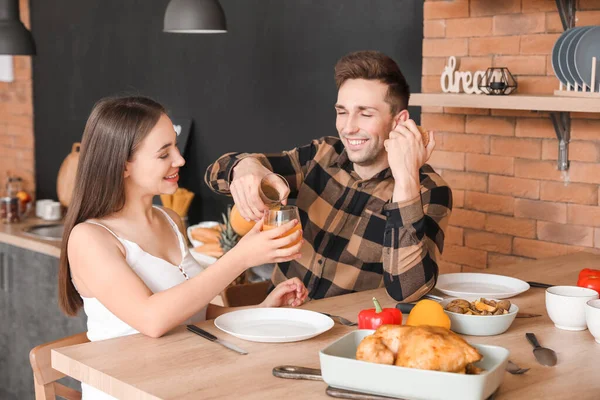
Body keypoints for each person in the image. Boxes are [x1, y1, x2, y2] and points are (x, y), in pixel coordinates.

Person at [58, 96, 307, 400]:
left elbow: (193, 313)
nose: (180, 159)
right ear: (123, 166)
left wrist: (260, 312)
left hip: (181, 382)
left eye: (175, 147)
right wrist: (241, 257)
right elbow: (152, 319)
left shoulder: (170, 219)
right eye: (164, 154)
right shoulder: (89, 238)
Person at [205, 50, 452, 302]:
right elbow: (215, 174)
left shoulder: (429, 191)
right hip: (276, 318)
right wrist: (246, 167)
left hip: (348, 335)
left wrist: (406, 180)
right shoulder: (321, 155)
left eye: (365, 114)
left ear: (399, 121)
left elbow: (409, 290)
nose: (348, 126)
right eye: (342, 111)